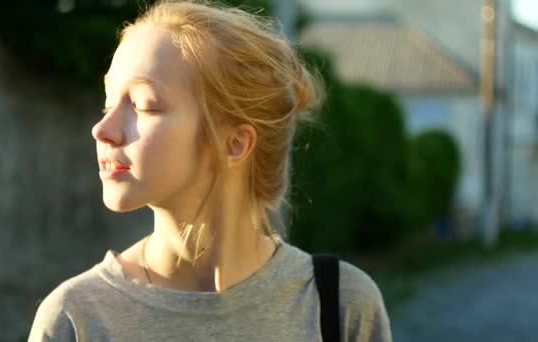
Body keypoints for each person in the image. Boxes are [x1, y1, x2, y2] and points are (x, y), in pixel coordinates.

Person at [28, 1, 392, 341]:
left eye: (143, 105)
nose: (103, 129)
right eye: (108, 102)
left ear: (234, 143)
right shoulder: (75, 319)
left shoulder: (341, 305)